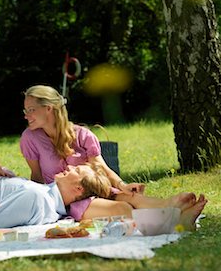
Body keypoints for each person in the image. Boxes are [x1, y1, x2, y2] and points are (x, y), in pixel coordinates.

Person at [20, 85, 207, 229]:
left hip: (99, 189)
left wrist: (122, 186)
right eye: (25, 111)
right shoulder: (30, 138)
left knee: (132, 198)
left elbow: (101, 167)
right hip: (69, 201)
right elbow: (36, 177)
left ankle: (174, 208)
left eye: (31, 110)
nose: (26, 116)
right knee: (122, 209)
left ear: (49, 109)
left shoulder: (82, 135)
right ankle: (175, 222)